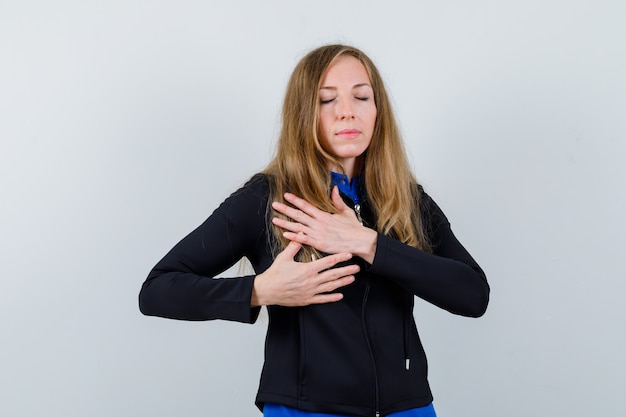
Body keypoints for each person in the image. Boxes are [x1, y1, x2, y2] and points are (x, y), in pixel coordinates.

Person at [139, 44, 490, 417]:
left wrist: (369, 244)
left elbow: (473, 295)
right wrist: (259, 290)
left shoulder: (405, 199)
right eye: (326, 100)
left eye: (362, 96)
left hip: (408, 408)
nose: (347, 111)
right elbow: (157, 290)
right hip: (307, 410)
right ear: (304, 113)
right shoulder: (268, 198)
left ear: (377, 110)